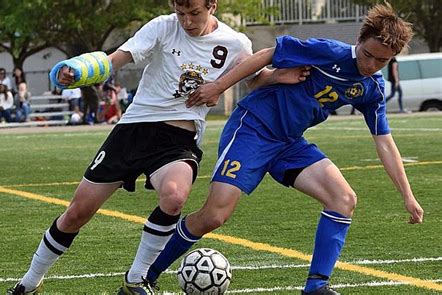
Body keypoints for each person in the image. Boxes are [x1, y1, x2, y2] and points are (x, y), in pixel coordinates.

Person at [6, 0, 307, 294]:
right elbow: (117, 59)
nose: (186, 21)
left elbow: (252, 79)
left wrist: (279, 76)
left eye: (194, 12)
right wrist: (78, 71)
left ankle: (136, 279)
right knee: (77, 213)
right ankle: (29, 283)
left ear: (212, 5)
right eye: (180, 12)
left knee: (175, 197)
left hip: (178, 139)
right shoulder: (162, 27)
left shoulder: (235, 42)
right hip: (133, 130)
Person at [143, 3, 425, 295]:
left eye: (382, 61)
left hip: (289, 142)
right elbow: (267, 55)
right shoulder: (329, 52)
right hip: (253, 128)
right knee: (214, 216)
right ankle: (146, 275)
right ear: (359, 42)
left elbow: (384, 141)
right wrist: (218, 86)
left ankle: (316, 286)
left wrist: (408, 195)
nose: (371, 65)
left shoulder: (372, 88)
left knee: (343, 199)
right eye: (368, 55)